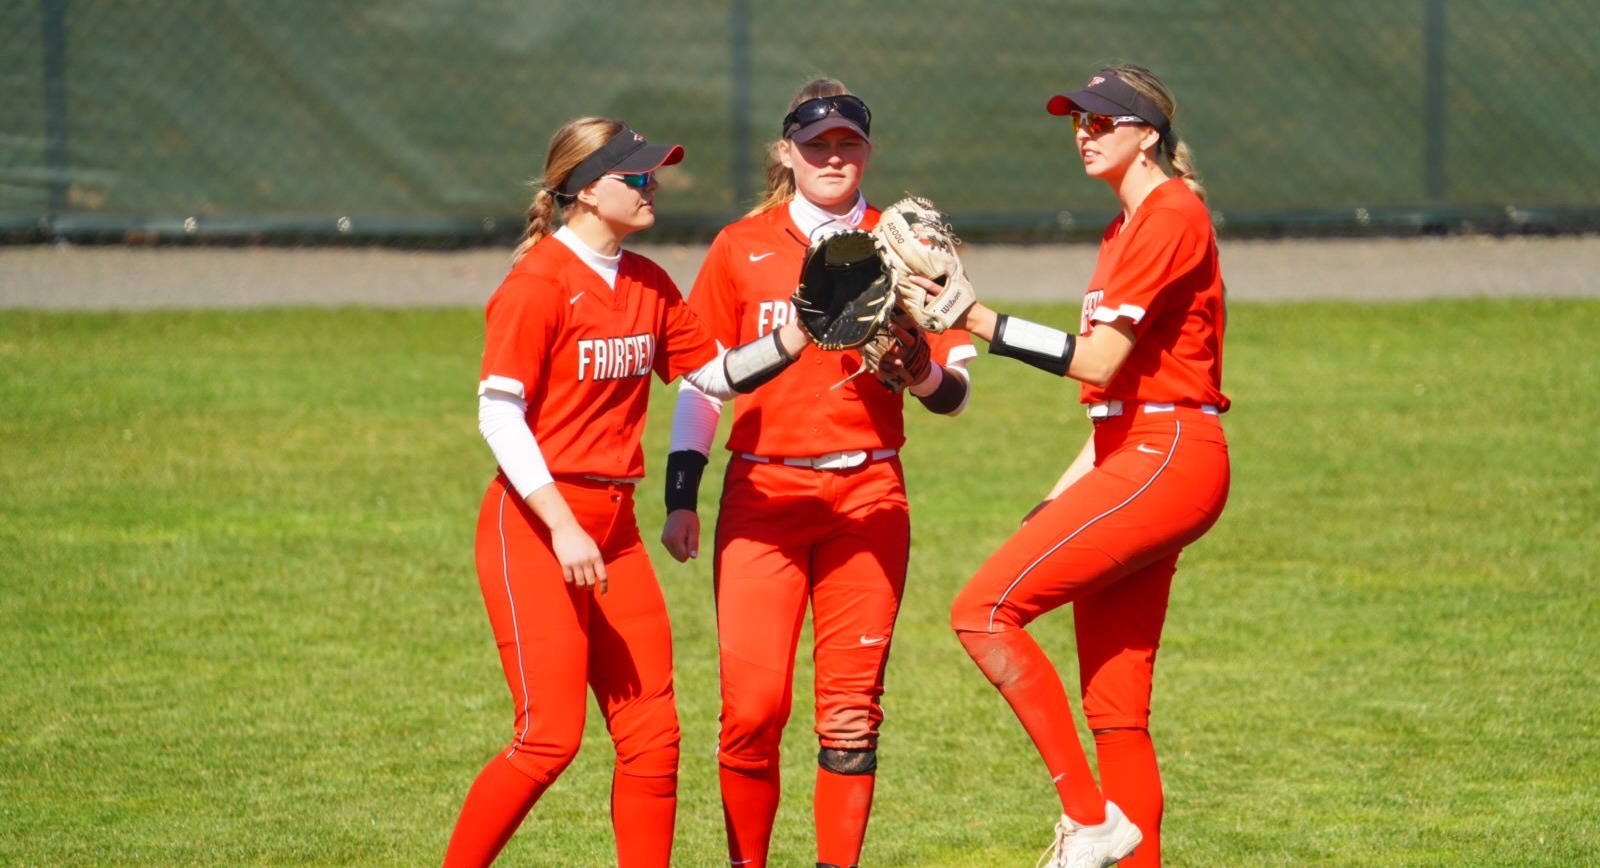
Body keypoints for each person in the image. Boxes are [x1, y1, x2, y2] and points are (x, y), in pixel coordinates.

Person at [442, 117, 814, 868]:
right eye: (636, 177)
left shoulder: (646, 282)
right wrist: (560, 525)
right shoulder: (538, 283)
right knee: (549, 737)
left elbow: (711, 376)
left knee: (653, 736)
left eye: (654, 175)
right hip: (536, 525)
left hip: (614, 527)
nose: (653, 188)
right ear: (585, 191)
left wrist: (796, 337)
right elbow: (497, 410)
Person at [659, 79, 976, 868]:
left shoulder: (907, 242)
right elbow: (703, 380)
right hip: (763, 496)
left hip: (868, 496)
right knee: (753, 711)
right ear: (785, 153)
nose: (834, 157)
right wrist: (681, 494)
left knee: (850, 716)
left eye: (849, 143)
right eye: (817, 145)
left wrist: (918, 373)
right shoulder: (742, 246)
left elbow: (956, 393)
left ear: (868, 151)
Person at [928, 65, 1231, 868]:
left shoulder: (1170, 215)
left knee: (982, 612)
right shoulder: (1123, 228)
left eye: (1103, 120)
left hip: (1169, 452)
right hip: (1133, 450)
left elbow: (1094, 356)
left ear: (1148, 135)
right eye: (1077, 121)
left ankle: (1087, 819)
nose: (1085, 133)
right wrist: (1056, 500)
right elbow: (1109, 396)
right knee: (1116, 711)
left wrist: (975, 318)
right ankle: (1120, 841)